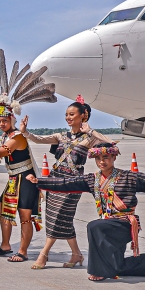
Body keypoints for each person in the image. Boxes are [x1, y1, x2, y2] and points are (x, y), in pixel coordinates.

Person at [29, 142, 145, 281]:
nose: (101, 162)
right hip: (107, 225)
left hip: (124, 224)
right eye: (98, 158)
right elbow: (66, 182)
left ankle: (97, 271)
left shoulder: (128, 177)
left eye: (105, 158)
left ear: (114, 158)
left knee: (94, 226)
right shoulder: (92, 179)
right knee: (116, 267)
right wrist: (39, 181)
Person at [0, 50, 56, 263]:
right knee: (2, 208)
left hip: (25, 180)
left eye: (5, 120)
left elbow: (1, 152)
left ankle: (23, 251)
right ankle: (6, 245)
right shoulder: (6, 134)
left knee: (25, 216)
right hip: (12, 180)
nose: (1, 123)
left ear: (12, 118)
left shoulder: (16, 137)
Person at [19, 96, 113, 270]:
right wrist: (25, 132)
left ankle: (43, 254)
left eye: (72, 114)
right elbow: (39, 139)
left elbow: (110, 143)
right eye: (66, 115)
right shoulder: (61, 136)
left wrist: (90, 130)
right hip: (55, 178)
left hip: (73, 181)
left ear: (82, 116)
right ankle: (76, 254)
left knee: (60, 215)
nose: (68, 118)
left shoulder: (89, 138)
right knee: (60, 217)